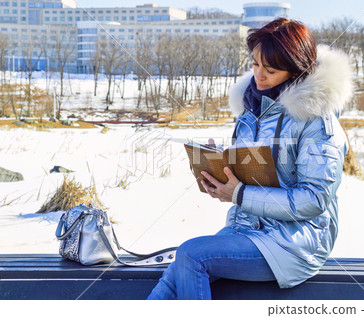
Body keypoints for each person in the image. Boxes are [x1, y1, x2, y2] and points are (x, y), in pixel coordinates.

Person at [148, 17, 353, 300]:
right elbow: (256, 170)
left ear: (295, 71)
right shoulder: (252, 109)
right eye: (255, 65)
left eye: (270, 70)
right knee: (175, 272)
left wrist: (240, 194)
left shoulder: (316, 120)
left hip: (295, 242)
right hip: (248, 230)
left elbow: (316, 199)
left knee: (191, 256)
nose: (259, 75)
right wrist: (220, 169)